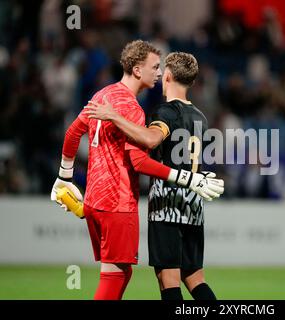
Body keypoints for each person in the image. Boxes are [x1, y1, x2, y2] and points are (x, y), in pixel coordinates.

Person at [50, 41, 224, 300]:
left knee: (126, 275)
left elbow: (73, 132)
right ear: (137, 70)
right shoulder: (136, 109)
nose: (157, 72)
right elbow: (139, 161)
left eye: (160, 68)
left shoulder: (102, 96)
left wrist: (64, 176)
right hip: (119, 203)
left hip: (96, 200)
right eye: (154, 67)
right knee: (125, 275)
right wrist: (189, 177)